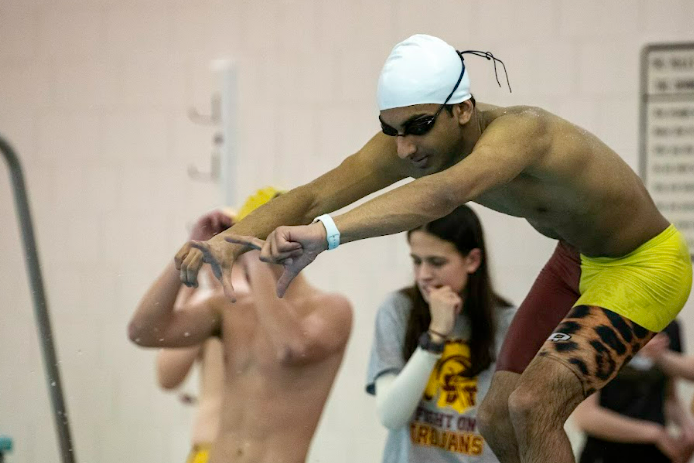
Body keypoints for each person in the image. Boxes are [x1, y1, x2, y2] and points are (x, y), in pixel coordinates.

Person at [173, 34, 693, 463]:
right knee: (495, 415)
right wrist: (224, 240)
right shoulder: (415, 136)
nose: (405, 148)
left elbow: (440, 195)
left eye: (418, 128)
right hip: (575, 257)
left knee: (534, 406)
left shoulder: (522, 133)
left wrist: (326, 233)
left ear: (463, 109)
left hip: (644, 263)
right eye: (391, 131)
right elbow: (312, 193)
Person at [129, 188, 353, 463]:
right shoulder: (231, 308)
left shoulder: (332, 309)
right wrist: (191, 248)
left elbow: (288, 347)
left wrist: (252, 260)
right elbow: (143, 333)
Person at [366, 205, 516, 462]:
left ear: (472, 260)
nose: (424, 274)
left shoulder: (506, 320)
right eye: (416, 261)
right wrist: (435, 336)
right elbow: (391, 416)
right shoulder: (398, 309)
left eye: (436, 262)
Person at [154, 208, 244, 463]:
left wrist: (187, 298)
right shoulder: (273, 303)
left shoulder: (211, 305)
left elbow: (167, 377)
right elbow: (168, 376)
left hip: (213, 449)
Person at [573, 320, 694, 463]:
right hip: (606, 452)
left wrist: (687, 427)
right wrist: (655, 434)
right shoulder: (599, 325)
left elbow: (669, 398)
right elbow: (586, 417)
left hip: (655, 454)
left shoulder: (670, 328)